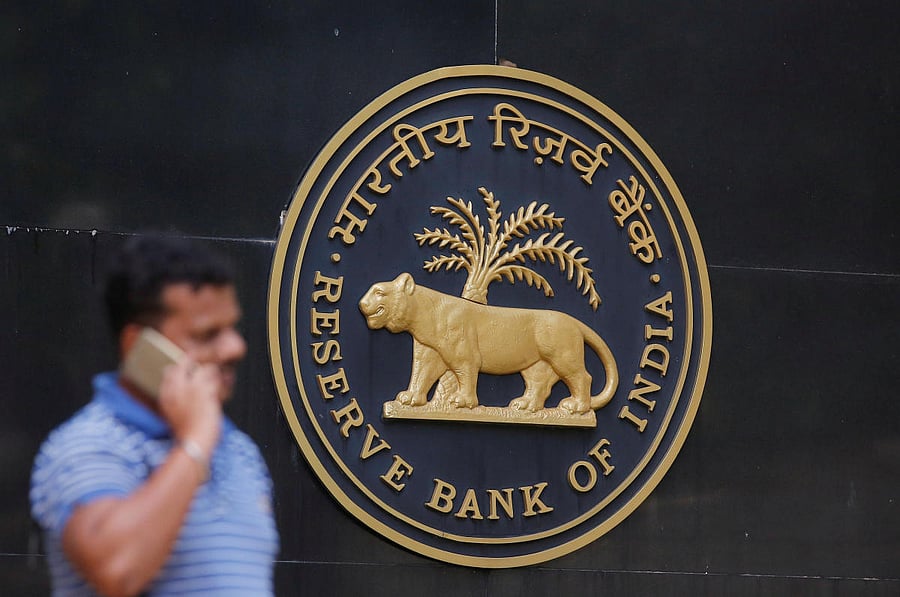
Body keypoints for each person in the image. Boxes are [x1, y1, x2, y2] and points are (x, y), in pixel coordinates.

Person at [30, 236, 279, 596]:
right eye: (207, 334)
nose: (234, 347)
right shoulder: (86, 446)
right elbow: (118, 569)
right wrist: (194, 442)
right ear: (138, 345)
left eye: (232, 328)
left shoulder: (239, 450)